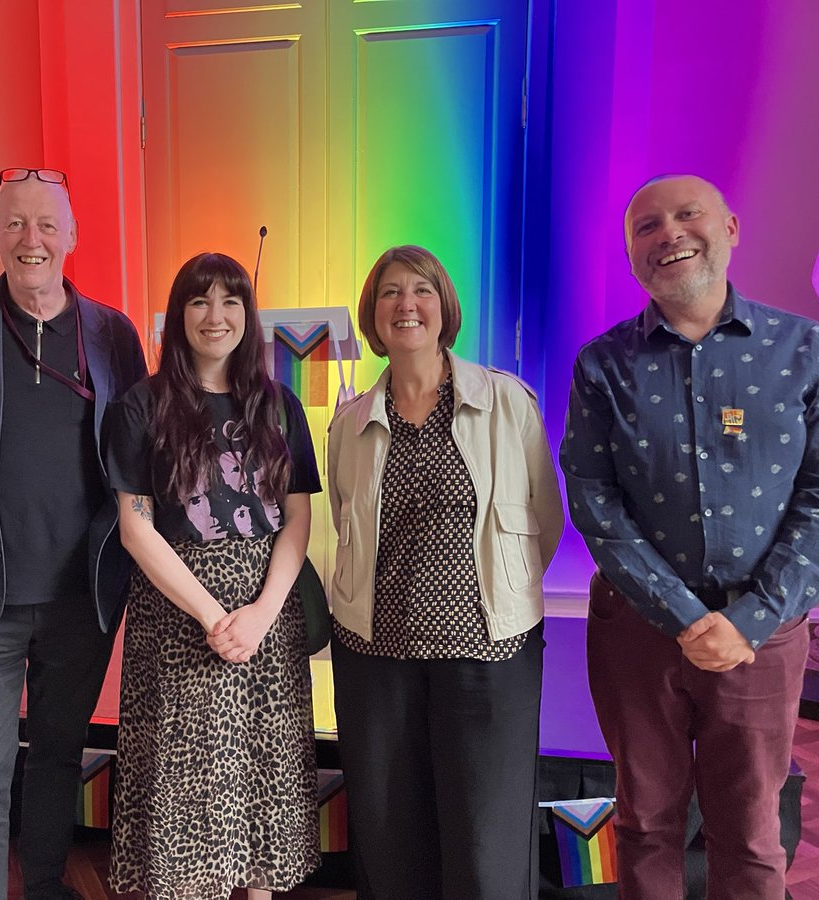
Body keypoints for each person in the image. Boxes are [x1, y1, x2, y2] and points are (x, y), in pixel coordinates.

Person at [561, 174, 818, 898]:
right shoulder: (603, 364)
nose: (668, 233)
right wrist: (683, 615)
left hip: (763, 634)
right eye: (646, 226)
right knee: (646, 824)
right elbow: (592, 497)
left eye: (687, 214)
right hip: (637, 635)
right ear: (632, 255)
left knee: (752, 831)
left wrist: (752, 620)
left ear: (730, 228)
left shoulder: (804, 351)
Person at [0, 167, 147, 900]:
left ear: (72, 237)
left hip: (85, 593)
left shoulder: (112, 333)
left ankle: (43, 882)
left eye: (46, 225)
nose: (31, 240)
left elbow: (138, 454)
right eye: (15, 223)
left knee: (57, 754)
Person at [327, 245, 562, 899]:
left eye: (422, 290)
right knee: (390, 840)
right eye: (390, 293)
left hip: (489, 651)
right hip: (376, 656)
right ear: (373, 315)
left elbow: (543, 519)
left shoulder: (508, 403)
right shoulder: (349, 424)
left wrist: (505, 595)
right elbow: (346, 522)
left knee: (486, 845)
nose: (407, 304)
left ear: (444, 305)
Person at [105, 252, 322, 899]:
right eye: (200, 301)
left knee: (262, 772)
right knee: (187, 782)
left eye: (231, 301)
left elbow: (299, 519)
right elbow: (135, 527)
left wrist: (260, 613)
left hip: (268, 611)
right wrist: (212, 615)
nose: (215, 315)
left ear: (248, 316)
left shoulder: (280, 406)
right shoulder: (140, 407)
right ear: (178, 316)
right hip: (179, 615)